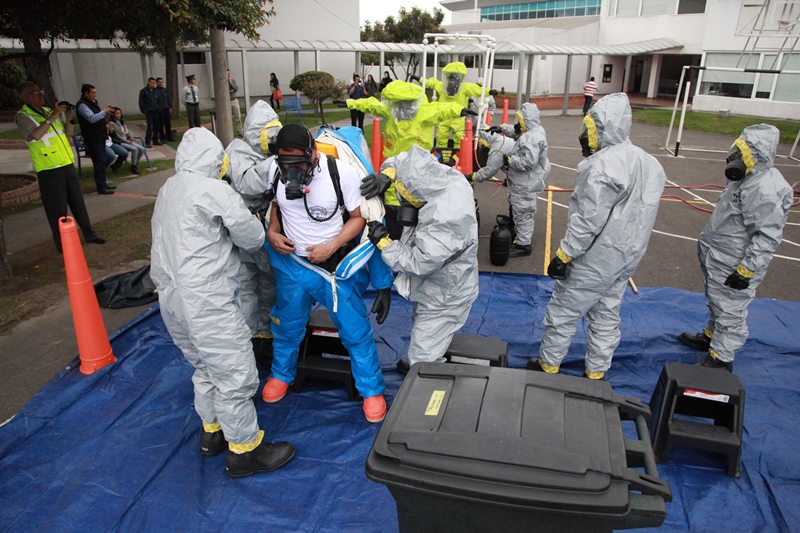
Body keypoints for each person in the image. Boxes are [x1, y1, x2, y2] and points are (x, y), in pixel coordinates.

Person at [150, 127, 295, 478]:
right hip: (206, 300)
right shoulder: (213, 190)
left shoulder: (169, 189)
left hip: (170, 298)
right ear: (215, 159)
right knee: (234, 373)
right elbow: (251, 236)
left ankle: (211, 433)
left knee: (204, 367)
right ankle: (245, 450)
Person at [527, 93, 666, 381]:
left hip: (595, 258)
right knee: (605, 314)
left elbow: (588, 220)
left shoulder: (601, 166)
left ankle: (548, 366)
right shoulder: (650, 163)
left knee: (564, 311)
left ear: (602, 127)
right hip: (626, 259)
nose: (585, 136)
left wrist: (565, 254)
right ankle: (596, 372)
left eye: (590, 128)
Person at [260, 123, 393, 423]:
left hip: (331, 269)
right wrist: (272, 232)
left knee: (354, 328)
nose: (292, 171)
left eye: (299, 164)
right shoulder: (274, 170)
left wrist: (332, 246)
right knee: (287, 322)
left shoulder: (340, 173)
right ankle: (282, 374)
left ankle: (371, 390)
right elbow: (275, 205)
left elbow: (360, 219)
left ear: (314, 154)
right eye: (286, 163)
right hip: (292, 263)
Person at [679, 124, 793, 372]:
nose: (735, 158)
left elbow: (766, 236)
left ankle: (721, 357)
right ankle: (712, 336)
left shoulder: (764, 188)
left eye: (743, 152)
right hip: (721, 256)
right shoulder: (746, 179)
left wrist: (746, 270)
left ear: (757, 154)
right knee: (718, 300)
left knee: (730, 308)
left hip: (734, 263)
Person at [362, 145, 479, 373]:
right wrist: (387, 176)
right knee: (422, 323)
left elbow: (418, 262)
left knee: (422, 358)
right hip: (435, 287)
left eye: (406, 199)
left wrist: (384, 243)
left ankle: (425, 382)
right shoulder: (442, 177)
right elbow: (403, 159)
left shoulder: (446, 217)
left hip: (446, 295)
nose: (405, 205)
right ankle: (426, 354)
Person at [344, 80, 473, 239]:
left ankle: (415, 236)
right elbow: (372, 105)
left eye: (406, 104)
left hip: (417, 169)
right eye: (399, 104)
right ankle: (393, 232)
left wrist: (460, 109)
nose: (402, 109)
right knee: (392, 201)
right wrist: (350, 103)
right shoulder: (392, 111)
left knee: (417, 201)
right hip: (392, 169)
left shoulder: (425, 112)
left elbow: (444, 109)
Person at [15, 81, 106, 252]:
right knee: (57, 208)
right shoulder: (24, 116)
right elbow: (34, 135)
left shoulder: (48, 111)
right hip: (49, 168)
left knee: (78, 202)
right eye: (36, 92)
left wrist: (69, 116)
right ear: (26, 97)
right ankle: (63, 243)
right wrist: (53, 116)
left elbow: (67, 134)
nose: (41, 94)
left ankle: (89, 233)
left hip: (65, 163)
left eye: (41, 90)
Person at [224, 100, 281, 360]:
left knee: (269, 283)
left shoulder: (265, 156)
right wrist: (278, 164)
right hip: (244, 233)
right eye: (268, 134)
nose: (272, 140)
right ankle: (245, 339)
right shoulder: (238, 151)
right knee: (245, 285)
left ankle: (265, 333)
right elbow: (247, 184)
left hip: (264, 229)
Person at [469, 102, 551, 258]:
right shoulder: (534, 130)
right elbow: (517, 131)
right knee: (516, 202)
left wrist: (508, 161)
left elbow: (526, 163)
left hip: (528, 178)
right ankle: (515, 226)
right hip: (531, 174)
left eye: (520, 120)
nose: (518, 124)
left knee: (523, 208)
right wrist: (501, 128)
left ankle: (523, 244)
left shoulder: (529, 139)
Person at [425, 62, 486, 153]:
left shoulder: (464, 88)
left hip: (457, 117)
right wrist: (421, 79)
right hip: (445, 116)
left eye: (455, 79)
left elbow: (476, 90)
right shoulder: (442, 86)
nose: (453, 82)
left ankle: (459, 156)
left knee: (458, 138)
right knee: (441, 138)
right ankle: (439, 156)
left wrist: (488, 91)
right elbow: (431, 83)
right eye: (451, 79)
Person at [75, 83, 116, 194]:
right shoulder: (82, 105)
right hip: (93, 138)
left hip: (100, 136)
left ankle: (104, 183)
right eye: (92, 93)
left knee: (102, 161)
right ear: (86, 93)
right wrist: (104, 112)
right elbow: (92, 119)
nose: (95, 95)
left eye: (95, 92)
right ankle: (101, 187)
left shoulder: (93, 103)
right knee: (99, 162)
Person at [108, 107, 146, 174]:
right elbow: (116, 136)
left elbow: (128, 132)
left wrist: (131, 138)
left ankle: (135, 162)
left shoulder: (122, 122)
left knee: (142, 149)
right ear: (113, 114)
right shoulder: (111, 124)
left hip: (127, 141)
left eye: (120, 113)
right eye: (117, 113)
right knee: (134, 149)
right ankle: (134, 166)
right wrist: (128, 142)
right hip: (119, 142)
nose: (119, 115)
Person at [138, 77, 162, 147]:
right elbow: (141, 102)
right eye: (152, 83)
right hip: (149, 111)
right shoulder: (144, 91)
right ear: (148, 82)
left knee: (156, 126)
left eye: (154, 83)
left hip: (156, 111)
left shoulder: (155, 91)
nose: (153, 85)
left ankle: (155, 140)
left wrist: (159, 107)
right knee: (150, 127)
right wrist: (144, 110)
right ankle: (147, 141)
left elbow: (158, 99)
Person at [155, 77, 175, 143]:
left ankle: (169, 136)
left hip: (166, 109)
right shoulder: (155, 91)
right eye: (159, 82)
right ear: (157, 83)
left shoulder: (164, 90)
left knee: (168, 124)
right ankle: (162, 138)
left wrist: (170, 107)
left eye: (162, 82)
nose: (161, 84)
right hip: (160, 110)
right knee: (161, 124)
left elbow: (168, 99)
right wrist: (158, 107)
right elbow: (155, 101)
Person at [228, 69, 244, 137]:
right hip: (228, 101)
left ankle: (240, 131)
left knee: (238, 117)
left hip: (234, 100)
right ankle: (228, 132)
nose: (228, 75)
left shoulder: (233, 81)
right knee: (228, 118)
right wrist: (232, 90)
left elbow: (236, 88)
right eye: (227, 74)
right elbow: (227, 92)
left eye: (229, 73)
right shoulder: (224, 82)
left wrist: (230, 82)